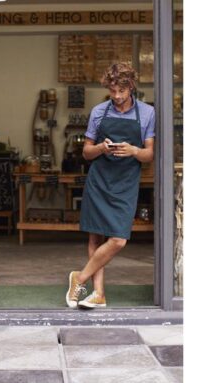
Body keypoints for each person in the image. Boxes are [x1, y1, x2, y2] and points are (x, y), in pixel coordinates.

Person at [66, 62, 155, 309]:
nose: (117, 97)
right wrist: (101, 148)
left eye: (122, 92)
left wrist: (134, 150)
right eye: (113, 91)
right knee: (95, 236)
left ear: (131, 87)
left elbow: (149, 155)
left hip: (126, 182)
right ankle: (98, 294)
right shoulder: (98, 112)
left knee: (118, 239)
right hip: (99, 180)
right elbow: (86, 152)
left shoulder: (147, 113)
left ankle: (79, 277)